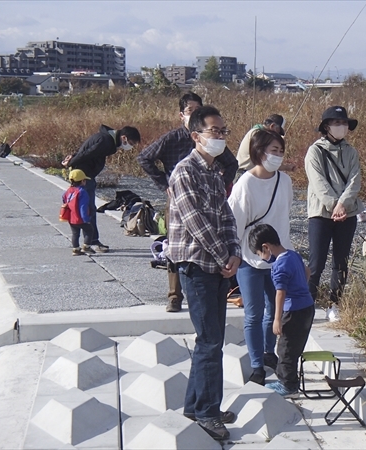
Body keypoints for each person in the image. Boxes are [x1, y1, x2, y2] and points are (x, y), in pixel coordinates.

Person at [166, 105, 241, 441]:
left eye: (224, 131)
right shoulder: (185, 172)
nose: (221, 136)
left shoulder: (214, 172)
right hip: (196, 265)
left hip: (217, 265)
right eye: (215, 131)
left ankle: (196, 405)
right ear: (196, 135)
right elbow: (195, 221)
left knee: (208, 340)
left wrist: (235, 253)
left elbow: (226, 218)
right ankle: (208, 413)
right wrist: (223, 255)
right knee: (210, 341)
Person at [137, 92, 238, 312]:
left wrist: (222, 184)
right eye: (190, 111)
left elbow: (232, 164)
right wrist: (164, 183)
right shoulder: (172, 139)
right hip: (178, 198)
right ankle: (174, 295)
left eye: (197, 109)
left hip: (207, 197)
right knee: (176, 246)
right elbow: (144, 157)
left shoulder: (212, 145)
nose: (193, 113)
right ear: (182, 115)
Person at [228, 128, 293, 385]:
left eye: (280, 151)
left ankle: (268, 352)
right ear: (258, 152)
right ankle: (256, 365)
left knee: (274, 310)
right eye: (272, 150)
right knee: (253, 313)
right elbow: (235, 222)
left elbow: (284, 219)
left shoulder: (284, 181)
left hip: (277, 258)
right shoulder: (245, 183)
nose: (277, 156)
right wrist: (234, 254)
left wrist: (288, 256)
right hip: (249, 258)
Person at [304, 106, 363, 322]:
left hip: (346, 214)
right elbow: (318, 182)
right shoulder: (315, 151)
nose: (342, 127)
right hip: (321, 213)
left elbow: (355, 180)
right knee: (316, 262)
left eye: (344, 123)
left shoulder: (351, 151)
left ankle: (334, 304)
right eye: (337, 123)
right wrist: (334, 204)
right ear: (326, 126)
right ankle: (307, 304)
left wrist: (344, 205)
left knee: (341, 262)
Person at [248, 223, 315, 398]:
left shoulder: (279, 266)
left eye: (260, 254)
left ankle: (288, 386)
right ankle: (289, 380)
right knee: (294, 348)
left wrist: (277, 319)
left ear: (266, 247)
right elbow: (307, 272)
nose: (262, 259)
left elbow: (280, 293)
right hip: (307, 306)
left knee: (285, 350)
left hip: (293, 312)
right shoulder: (293, 255)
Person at [63, 124, 141, 253]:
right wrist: (71, 162)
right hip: (84, 176)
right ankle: (91, 241)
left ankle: (86, 241)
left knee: (85, 208)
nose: (130, 146)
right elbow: (87, 153)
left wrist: (72, 157)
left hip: (83, 174)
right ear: (124, 137)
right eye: (131, 143)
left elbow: (85, 151)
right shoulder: (106, 141)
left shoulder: (105, 138)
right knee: (88, 209)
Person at [235, 114, 295, 180]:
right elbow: (266, 160)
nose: (277, 135)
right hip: (244, 174)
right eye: (278, 132)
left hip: (251, 173)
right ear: (272, 126)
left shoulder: (256, 132)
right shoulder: (256, 134)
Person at [61, 169, 95, 256]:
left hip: (71, 217)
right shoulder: (82, 192)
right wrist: (86, 218)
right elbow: (83, 206)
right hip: (80, 217)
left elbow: (64, 198)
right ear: (82, 181)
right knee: (89, 230)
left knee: (75, 234)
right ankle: (86, 246)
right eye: (85, 180)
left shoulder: (69, 190)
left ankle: (76, 249)